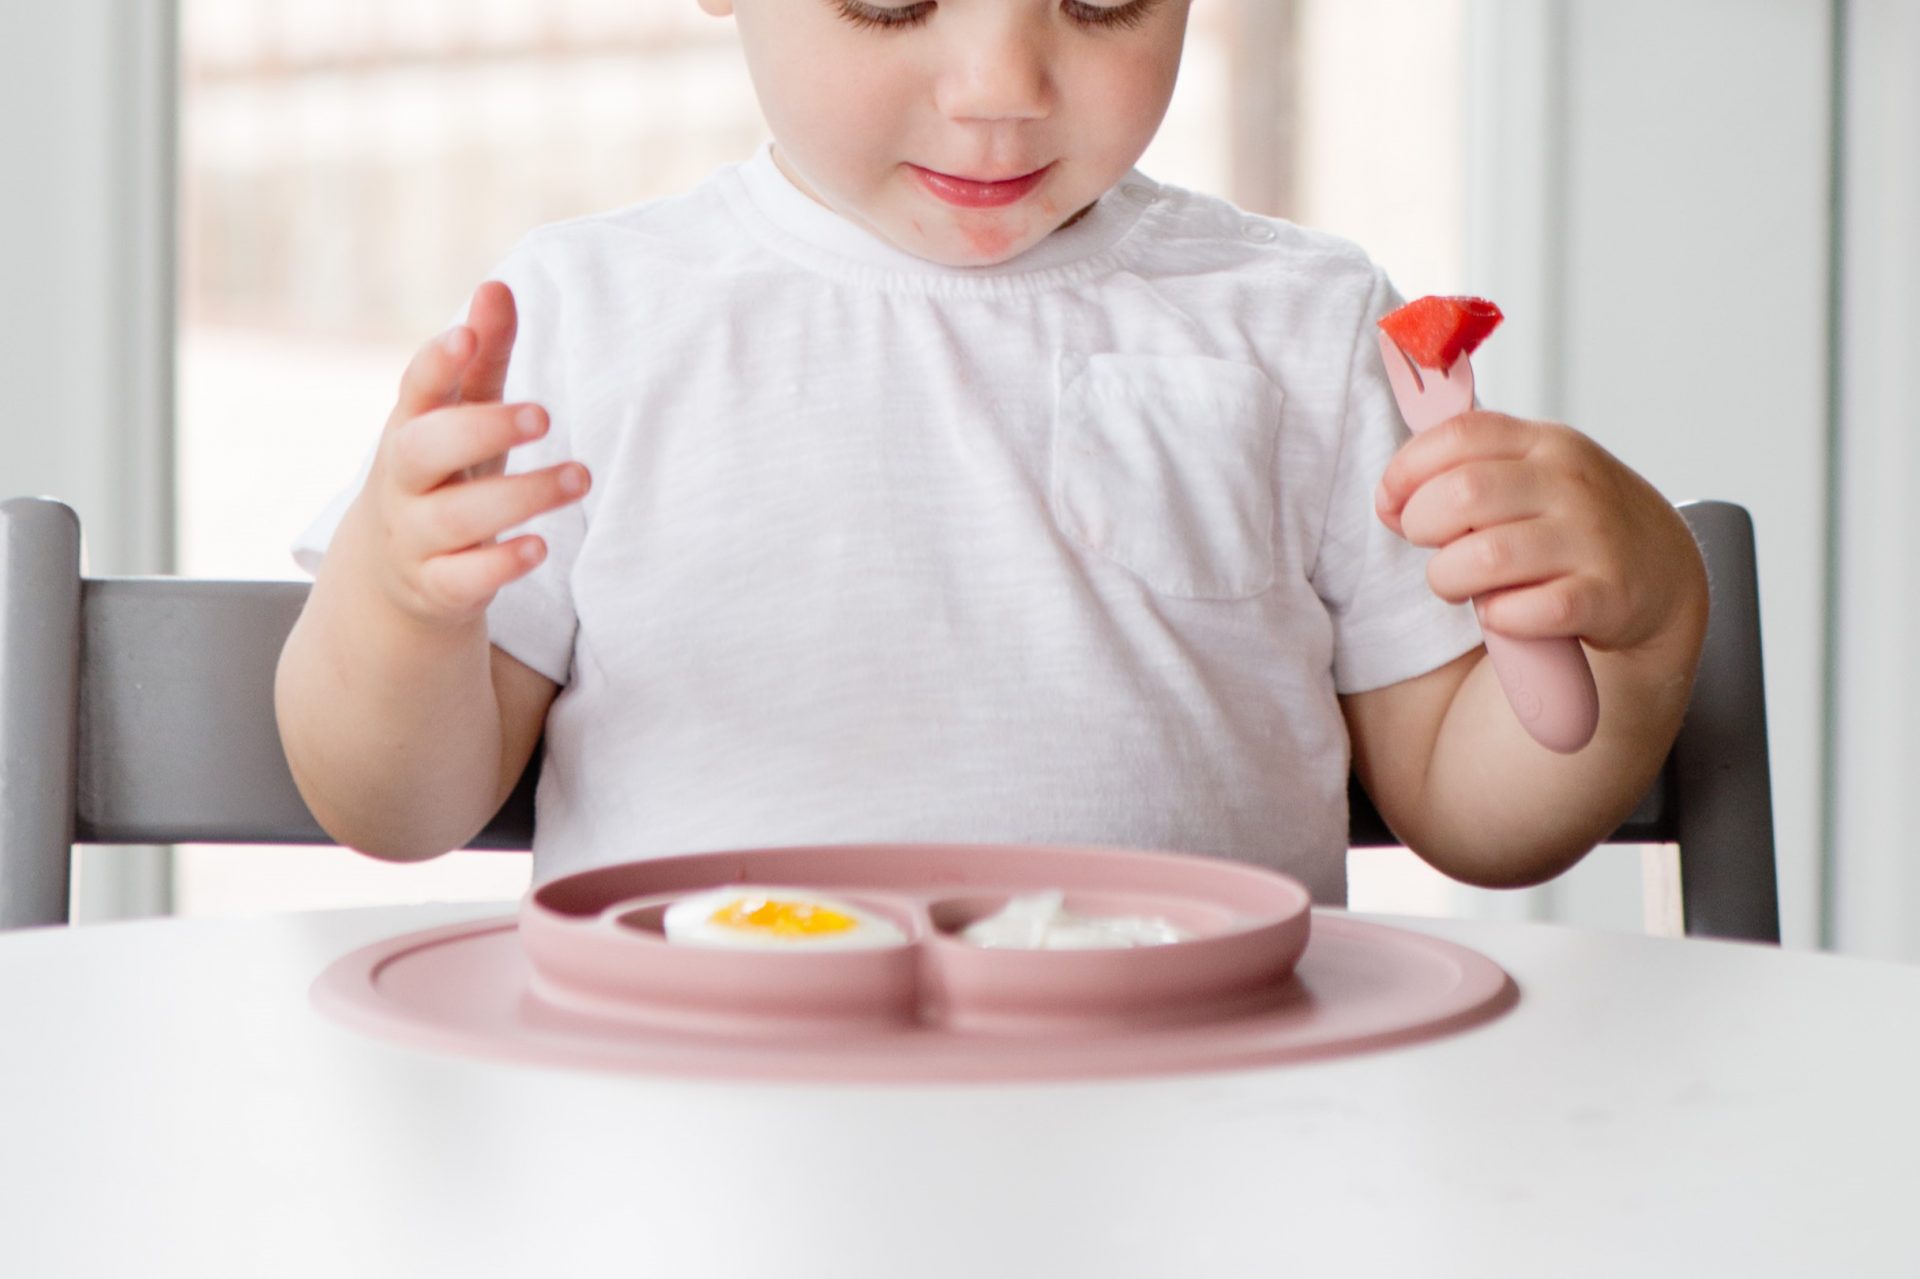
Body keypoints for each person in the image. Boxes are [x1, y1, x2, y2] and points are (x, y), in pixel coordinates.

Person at [275, 0, 1708, 905]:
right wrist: (401, 611)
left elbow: (1478, 813)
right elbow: (398, 805)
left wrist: (1639, 628)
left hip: (1204, 1138)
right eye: (894, 1)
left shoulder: (1300, 323)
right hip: (701, 1142)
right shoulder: (589, 322)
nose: (1005, 82)